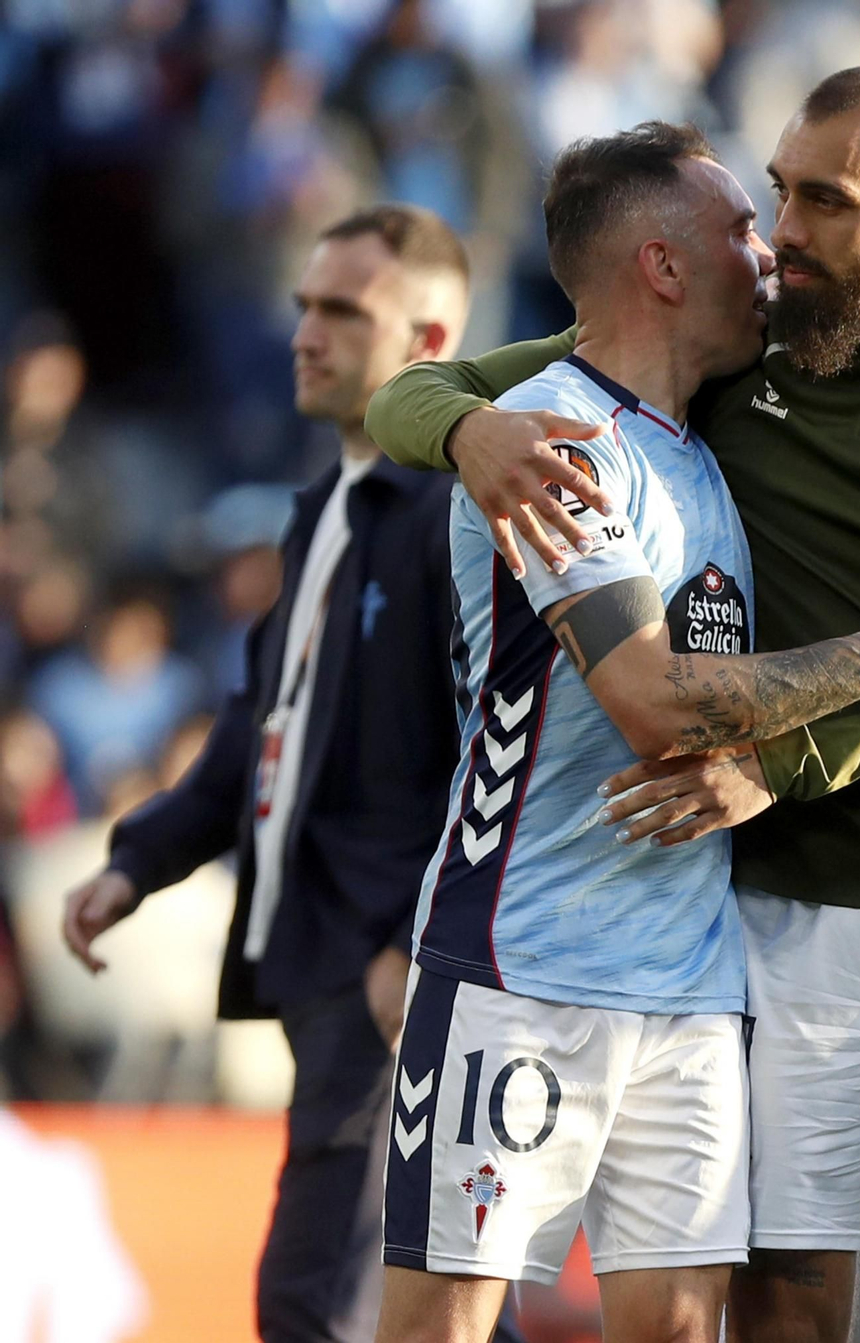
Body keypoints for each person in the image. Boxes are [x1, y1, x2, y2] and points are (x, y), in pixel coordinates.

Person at [367, 67, 860, 1343]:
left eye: (817, 201)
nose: (778, 235)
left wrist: (814, 753)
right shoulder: (651, 389)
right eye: (766, 198)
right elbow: (424, 396)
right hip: (659, 937)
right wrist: (462, 430)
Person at [58, 204, 520, 1343]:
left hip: (393, 971)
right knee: (428, 1304)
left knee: (320, 1305)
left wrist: (418, 940)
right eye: (304, 304)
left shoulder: (451, 512)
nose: (304, 332)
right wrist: (140, 858)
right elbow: (261, 723)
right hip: (326, 962)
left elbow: (500, 743)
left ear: (429, 335)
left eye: (340, 311)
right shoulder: (324, 504)